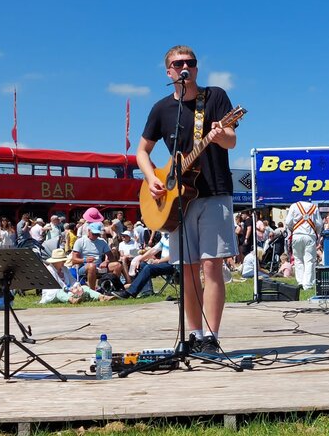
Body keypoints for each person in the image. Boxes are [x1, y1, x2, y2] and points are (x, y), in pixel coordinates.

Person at [136, 44, 238, 356]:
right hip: (178, 199)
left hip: (214, 192)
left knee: (212, 266)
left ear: (196, 68)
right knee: (188, 270)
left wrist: (220, 135)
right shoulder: (162, 109)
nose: (185, 67)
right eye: (178, 63)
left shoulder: (216, 97)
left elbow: (232, 140)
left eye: (190, 63)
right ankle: (193, 335)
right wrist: (152, 177)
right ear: (169, 71)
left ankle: (212, 335)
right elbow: (142, 151)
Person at [39, 249, 115, 304]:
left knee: (84, 287)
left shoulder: (64, 269)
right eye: (62, 261)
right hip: (53, 293)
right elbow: (57, 286)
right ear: (55, 262)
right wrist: (71, 289)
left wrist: (77, 286)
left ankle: (101, 297)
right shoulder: (49, 270)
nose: (64, 262)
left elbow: (73, 281)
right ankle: (71, 299)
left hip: (67, 290)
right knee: (59, 292)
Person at [285, 201, 323, 290]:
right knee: (309, 260)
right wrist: (316, 234)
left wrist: (293, 229)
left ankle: (301, 282)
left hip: (297, 235)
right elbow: (319, 224)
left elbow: (288, 222)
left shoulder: (294, 205)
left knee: (298, 259)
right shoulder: (314, 207)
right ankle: (308, 284)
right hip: (310, 235)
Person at [70, 222, 114, 290]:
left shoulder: (102, 241)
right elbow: (74, 260)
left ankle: (112, 288)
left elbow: (111, 256)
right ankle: (93, 291)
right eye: (94, 234)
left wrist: (106, 261)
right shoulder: (80, 241)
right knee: (91, 266)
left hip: (99, 266)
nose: (95, 236)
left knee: (117, 265)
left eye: (97, 234)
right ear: (89, 231)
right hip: (83, 267)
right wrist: (85, 260)